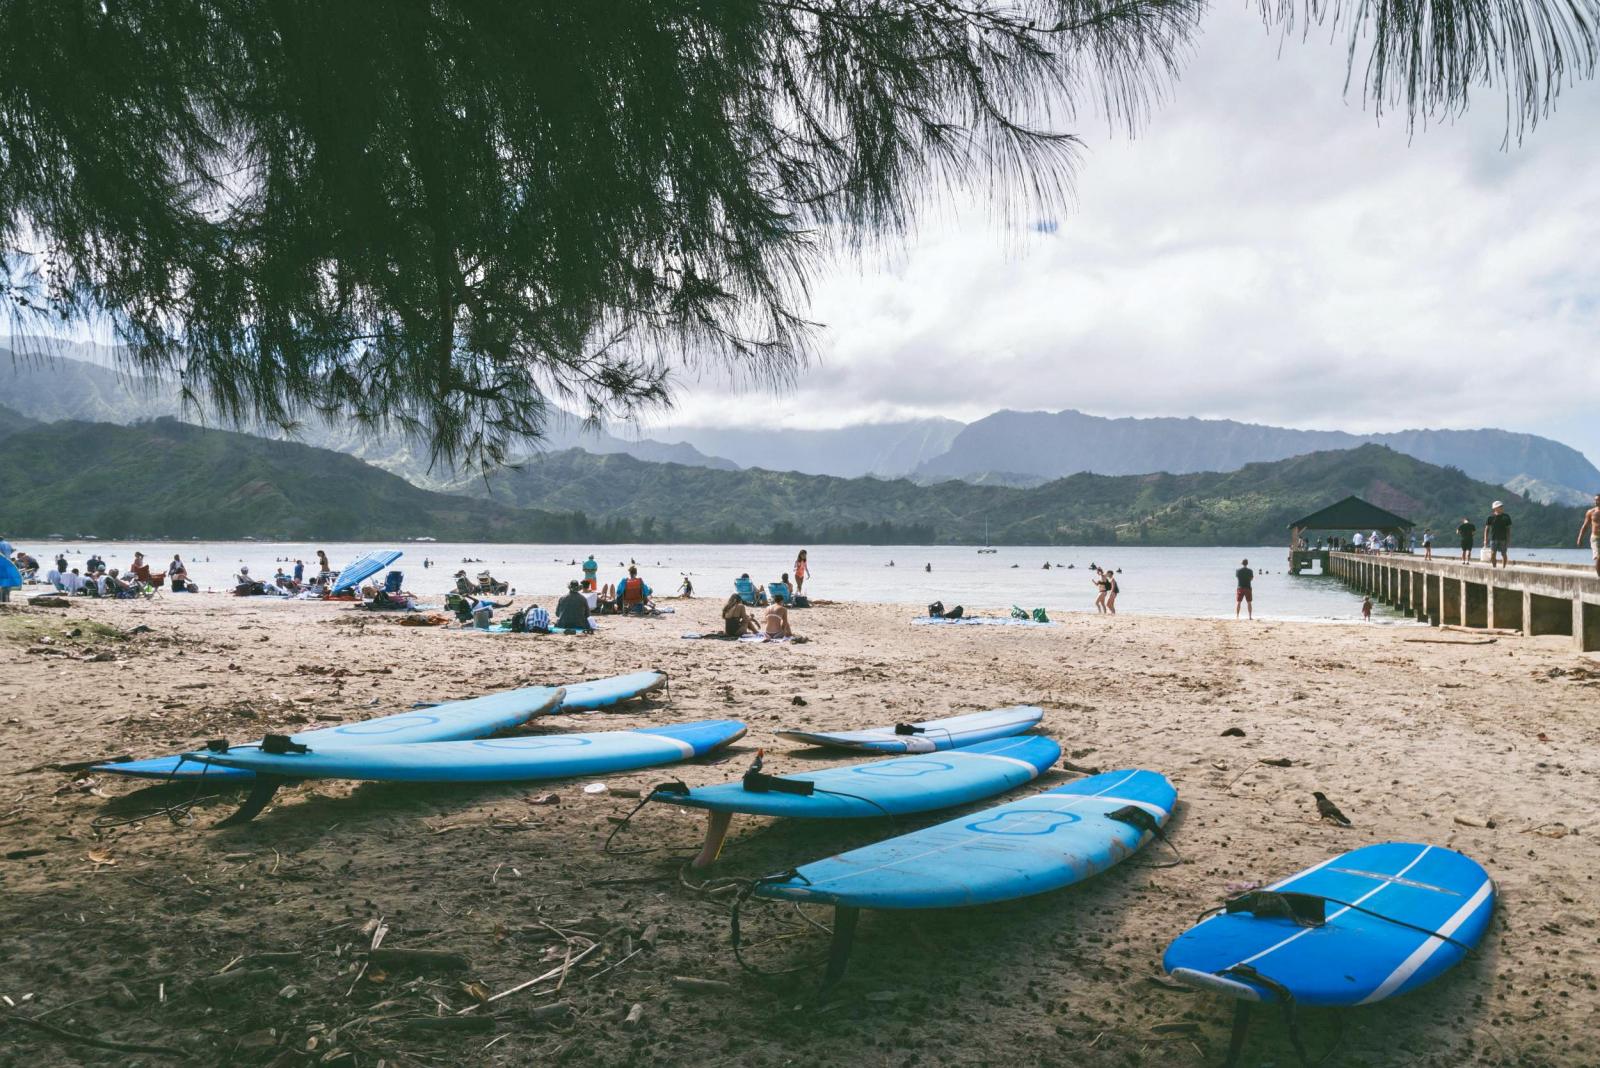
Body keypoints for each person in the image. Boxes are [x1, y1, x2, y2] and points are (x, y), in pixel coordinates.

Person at [1484, 501, 1512, 568]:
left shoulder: (1506, 517)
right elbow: (1486, 529)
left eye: (1502, 506)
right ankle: (1494, 567)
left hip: (1503, 539)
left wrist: (1508, 539)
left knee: (1504, 554)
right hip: (1493, 539)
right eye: (1500, 506)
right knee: (1493, 554)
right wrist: (1485, 539)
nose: (1502, 507)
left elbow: (1508, 529)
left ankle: (1504, 568)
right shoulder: (1490, 517)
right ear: (1495, 508)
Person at [1578, 493, 1600, 579]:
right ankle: (1599, 577)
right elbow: (1585, 526)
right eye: (1595, 500)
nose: (1596, 502)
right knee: (1598, 557)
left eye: (1598, 500)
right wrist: (1580, 538)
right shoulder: (1591, 512)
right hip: (1595, 538)